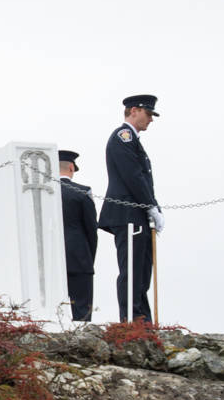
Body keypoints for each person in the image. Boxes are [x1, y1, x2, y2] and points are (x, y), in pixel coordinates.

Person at [97, 95, 164, 322]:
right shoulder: (122, 137)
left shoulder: (134, 141)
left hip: (138, 213)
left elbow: (142, 179)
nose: (151, 120)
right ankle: (131, 318)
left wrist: (153, 209)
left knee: (143, 270)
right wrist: (150, 205)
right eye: (148, 114)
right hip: (127, 213)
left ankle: (143, 319)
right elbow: (133, 176)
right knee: (133, 269)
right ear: (134, 110)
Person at [58, 149, 98, 321]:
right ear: (71, 168)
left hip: (49, 259)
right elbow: (91, 230)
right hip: (78, 256)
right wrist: (89, 258)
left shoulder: (42, 192)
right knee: (81, 310)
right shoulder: (83, 192)